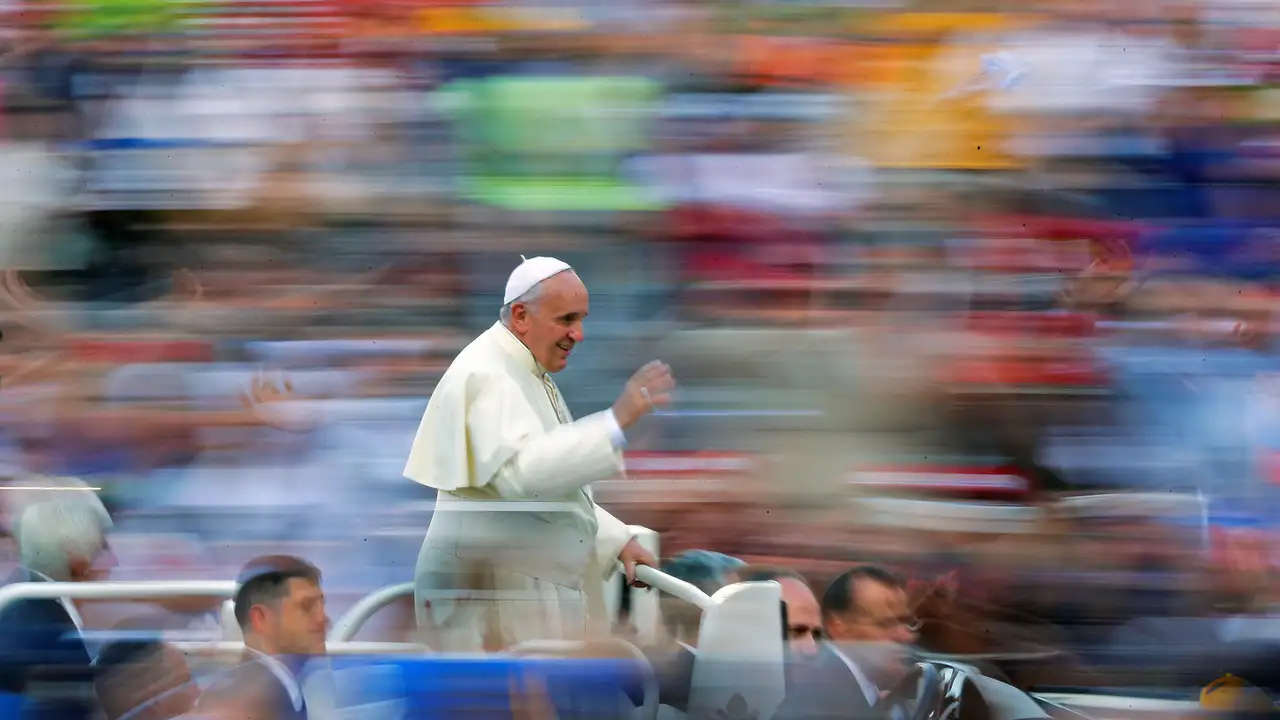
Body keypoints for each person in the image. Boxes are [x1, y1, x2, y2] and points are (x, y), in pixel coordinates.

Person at [404, 256, 672, 652]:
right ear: (521, 315)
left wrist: (615, 540)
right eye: (566, 319)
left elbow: (552, 488)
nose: (578, 334)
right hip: (483, 606)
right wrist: (616, 421)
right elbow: (523, 476)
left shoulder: (524, 369)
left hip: (512, 588)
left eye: (582, 319)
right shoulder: (488, 374)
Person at [0, 489, 114, 720]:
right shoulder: (50, 636)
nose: (114, 561)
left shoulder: (27, 609)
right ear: (78, 559)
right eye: (103, 547)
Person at [197, 555, 327, 720]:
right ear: (260, 618)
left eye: (322, 605)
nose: (323, 618)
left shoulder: (276, 688)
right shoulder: (246, 703)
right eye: (307, 607)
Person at [820, 566, 920, 705]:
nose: (906, 636)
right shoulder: (824, 700)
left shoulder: (863, 689)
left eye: (907, 623)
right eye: (885, 624)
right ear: (838, 628)